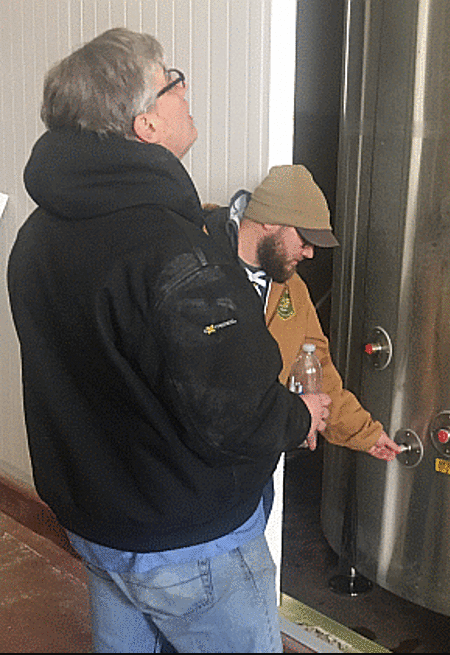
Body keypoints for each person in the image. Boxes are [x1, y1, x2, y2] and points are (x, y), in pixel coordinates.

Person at [7, 28, 332, 653]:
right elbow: (236, 414)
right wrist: (300, 416)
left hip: (98, 526)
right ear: (146, 123)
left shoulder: (38, 236)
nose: (186, 91)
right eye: (172, 80)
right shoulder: (172, 253)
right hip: (189, 542)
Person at [202, 164, 401, 461]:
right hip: (193, 471)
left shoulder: (292, 288)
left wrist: (364, 434)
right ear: (269, 221)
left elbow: (317, 367)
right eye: (304, 239)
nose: (309, 253)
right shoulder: (195, 261)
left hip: (253, 470)